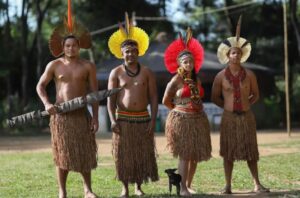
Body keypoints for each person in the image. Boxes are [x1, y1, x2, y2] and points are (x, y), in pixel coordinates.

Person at [36, 1, 98, 198]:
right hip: (61, 116)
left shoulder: (88, 66)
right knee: (62, 153)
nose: (71, 48)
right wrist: (47, 104)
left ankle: (87, 190)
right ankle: (62, 192)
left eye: (74, 45)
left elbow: (95, 93)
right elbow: (40, 86)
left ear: (79, 46)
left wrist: (95, 117)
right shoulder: (54, 65)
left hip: (82, 115)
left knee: (84, 153)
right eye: (67, 45)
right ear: (63, 47)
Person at [211, 16, 270, 194]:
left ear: (242, 55)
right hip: (229, 118)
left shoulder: (250, 74)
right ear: (227, 55)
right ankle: (228, 185)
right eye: (233, 53)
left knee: (251, 151)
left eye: (238, 52)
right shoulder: (220, 76)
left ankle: (257, 184)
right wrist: (229, 108)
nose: (236, 55)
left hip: (247, 117)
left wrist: (245, 106)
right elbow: (215, 97)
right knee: (228, 153)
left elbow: (256, 95)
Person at [107, 13, 159, 198]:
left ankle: (138, 187)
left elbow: (153, 98)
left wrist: (153, 120)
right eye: (127, 51)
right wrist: (113, 120)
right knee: (124, 155)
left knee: (140, 154)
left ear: (139, 52)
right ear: (122, 53)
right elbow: (110, 100)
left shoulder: (147, 72)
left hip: (143, 118)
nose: (130, 54)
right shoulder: (115, 73)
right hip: (123, 119)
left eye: (133, 51)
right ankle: (125, 188)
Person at [162, 28, 212, 196]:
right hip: (182, 120)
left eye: (190, 61)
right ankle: (182, 188)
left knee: (195, 155)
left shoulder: (196, 79)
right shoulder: (175, 80)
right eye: (185, 62)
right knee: (184, 154)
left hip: (197, 118)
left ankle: (188, 185)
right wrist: (178, 110)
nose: (188, 64)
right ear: (180, 64)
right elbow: (165, 101)